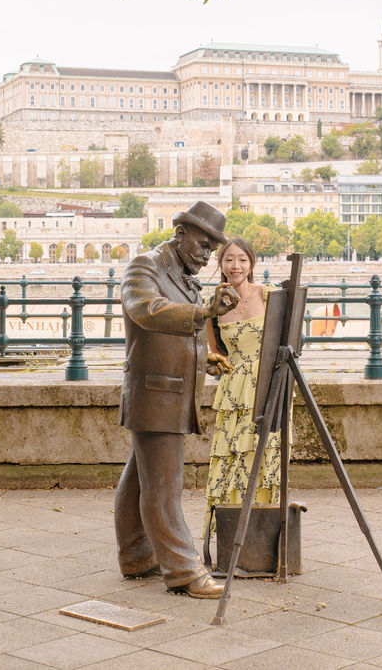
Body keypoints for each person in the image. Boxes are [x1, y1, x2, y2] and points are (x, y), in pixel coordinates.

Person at [114, 201, 238, 599]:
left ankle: (136, 556)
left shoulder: (183, 275)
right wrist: (203, 311)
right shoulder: (145, 266)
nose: (206, 255)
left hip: (168, 391)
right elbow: (147, 311)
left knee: (141, 480)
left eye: (210, 249)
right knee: (164, 487)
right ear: (181, 234)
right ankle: (184, 571)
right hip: (155, 393)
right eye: (202, 245)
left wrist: (205, 359)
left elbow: (178, 336)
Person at [203, 237, 282, 534]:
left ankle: (264, 533)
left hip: (268, 385)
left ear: (251, 263)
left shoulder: (269, 295)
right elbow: (215, 356)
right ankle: (230, 534)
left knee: (266, 457)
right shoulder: (213, 307)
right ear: (221, 264)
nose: (235, 266)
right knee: (232, 459)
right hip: (235, 389)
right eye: (229, 260)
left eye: (242, 260)